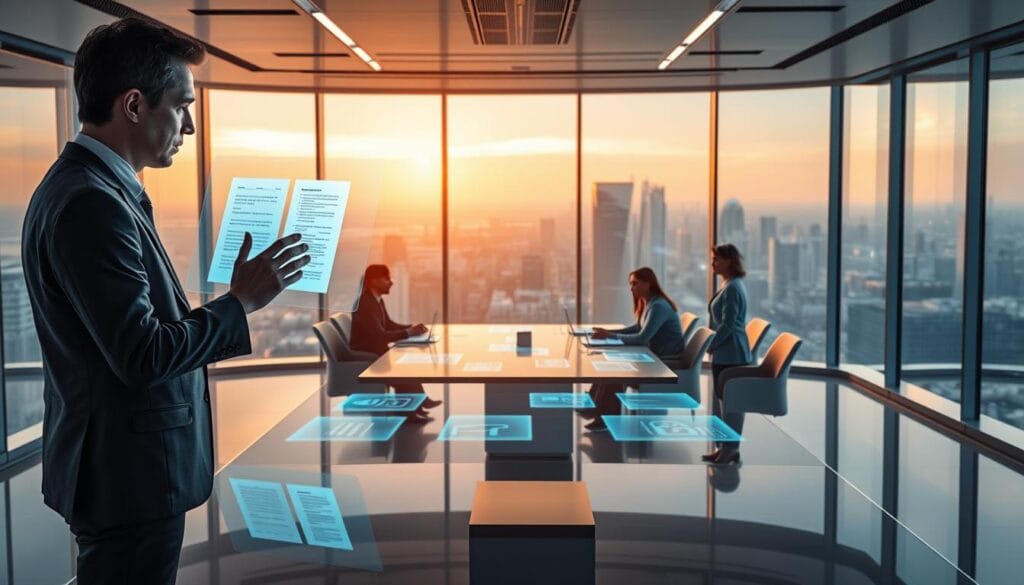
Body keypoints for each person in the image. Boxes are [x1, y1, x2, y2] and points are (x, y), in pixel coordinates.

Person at [20, 18, 311, 585]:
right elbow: (141, 354)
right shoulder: (91, 204)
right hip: (129, 477)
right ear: (134, 105)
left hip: (122, 473)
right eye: (182, 105)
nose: (192, 125)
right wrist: (240, 304)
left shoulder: (90, 189)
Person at [582, 267, 686, 431]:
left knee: (615, 371)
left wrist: (610, 336)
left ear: (648, 283)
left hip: (661, 364)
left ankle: (604, 417)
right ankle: (594, 408)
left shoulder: (658, 306)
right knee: (608, 365)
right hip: (655, 358)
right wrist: (609, 333)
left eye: (635, 284)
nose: (631, 288)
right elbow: (637, 328)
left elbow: (641, 338)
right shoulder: (650, 303)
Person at [350, 264, 442, 420]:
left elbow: (389, 325)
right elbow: (379, 335)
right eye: (387, 279)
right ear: (373, 281)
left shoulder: (376, 300)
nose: (391, 282)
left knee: (404, 365)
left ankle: (417, 404)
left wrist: (411, 328)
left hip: (375, 349)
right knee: (401, 370)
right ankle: (409, 411)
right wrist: (407, 333)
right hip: (367, 353)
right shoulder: (366, 304)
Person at [702, 243, 754, 465]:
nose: (713, 263)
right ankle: (726, 447)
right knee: (725, 401)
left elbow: (728, 325)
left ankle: (730, 449)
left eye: (717, 259)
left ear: (729, 261)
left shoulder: (732, 288)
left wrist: (711, 344)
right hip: (727, 351)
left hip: (730, 352)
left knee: (731, 404)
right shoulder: (729, 284)